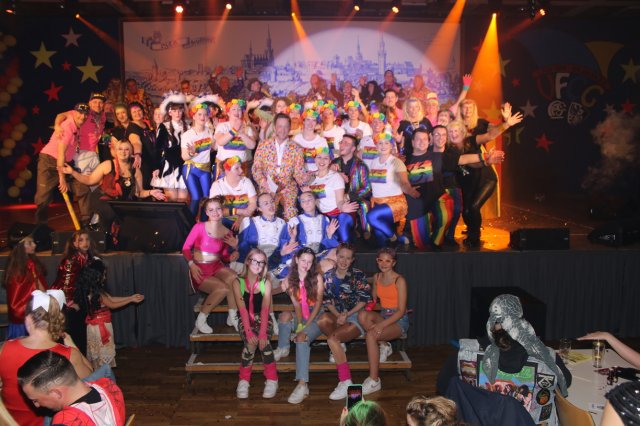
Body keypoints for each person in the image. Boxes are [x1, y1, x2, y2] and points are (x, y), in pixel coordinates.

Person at [436, 294, 572, 426]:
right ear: (521, 322)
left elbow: (444, 387)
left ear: (492, 321)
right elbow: (566, 382)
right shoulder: (547, 358)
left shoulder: (464, 354)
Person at [0, 291, 93, 426]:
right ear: (56, 320)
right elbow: (91, 378)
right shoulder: (69, 354)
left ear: (28, 319)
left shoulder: (5, 348)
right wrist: (73, 346)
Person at [62, 140, 166, 238]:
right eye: (120, 149)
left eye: (126, 149)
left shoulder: (135, 170)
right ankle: (99, 230)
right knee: (111, 211)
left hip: (119, 203)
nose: (123, 152)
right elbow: (89, 180)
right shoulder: (108, 165)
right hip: (102, 200)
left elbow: (139, 193)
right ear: (116, 151)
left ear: (131, 153)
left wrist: (151, 192)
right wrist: (72, 172)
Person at [454, 101, 523, 248]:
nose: (455, 133)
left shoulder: (474, 135)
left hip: (484, 176)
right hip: (467, 177)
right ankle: (472, 229)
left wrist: (506, 123)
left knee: (473, 207)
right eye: (465, 107)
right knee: (466, 211)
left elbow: (491, 134)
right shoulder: (451, 142)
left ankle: (474, 237)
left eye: (470, 107)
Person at [18, 350, 125, 426]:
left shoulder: (65, 421)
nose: (36, 406)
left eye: (35, 400)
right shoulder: (109, 386)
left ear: (56, 393)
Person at [274, 248, 325, 404]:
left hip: (316, 316)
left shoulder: (317, 277)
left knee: (301, 338)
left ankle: (303, 384)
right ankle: (283, 348)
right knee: (284, 315)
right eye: (303, 260)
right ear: (296, 259)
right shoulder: (291, 278)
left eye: (309, 261)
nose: (306, 264)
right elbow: (296, 305)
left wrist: (304, 327)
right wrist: (300, 323)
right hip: (301, 314)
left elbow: (318, 305)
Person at [73, 258, 144, 369]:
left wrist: (131, 298)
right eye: (104, 275)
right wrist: (130, 300)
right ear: (97, 276)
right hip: (100, 328)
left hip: (96, 326)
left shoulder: (93, 289)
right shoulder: (96, 293)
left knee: (98, 357)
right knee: (102, 357)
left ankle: (100, 374)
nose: (105, 277)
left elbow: (111, 299)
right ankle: (103, 376)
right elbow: (111, 304)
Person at [183, 196, 240, 333]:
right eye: (211, 210)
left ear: (222, 210)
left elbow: (225, 257)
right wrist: (191, 264)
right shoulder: (199, 227)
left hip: (216, 266)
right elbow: (185, 248)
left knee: (234, 278)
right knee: (223, 289)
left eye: (218, 209)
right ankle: (201, 319)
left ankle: (232, 316)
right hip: (199, 269)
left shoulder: (227, 232)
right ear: (207, 212)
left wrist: (235, 249)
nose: (215, 212)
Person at [358, 247, 409, 395]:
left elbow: (401, 311)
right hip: (384, 315)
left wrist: (380, 325)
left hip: (399, 320)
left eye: (388, 261)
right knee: (362, 315)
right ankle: (385, 345)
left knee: (371, 335)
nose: (384, 264)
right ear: (377, 261)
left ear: (394, 263)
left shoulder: (400, 280)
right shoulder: (377, 277)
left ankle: (374, 380)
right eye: (381, 260)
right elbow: (374, 298)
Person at [325, 243, 372, 400]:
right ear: (336, 256)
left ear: (352, 260)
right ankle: (340, 347)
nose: (344, 261)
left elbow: (364, 300)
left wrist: (347, 314)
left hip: (355, 316)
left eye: (348, 258)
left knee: (332, 339)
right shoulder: (328, 276)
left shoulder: (358, 275)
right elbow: (327, 301)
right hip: (338, 315)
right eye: (341, 257)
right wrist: (338, 315)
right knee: (323, 320)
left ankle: (345, 381)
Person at [53, 94, 107, 225]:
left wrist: (109, 139)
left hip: (94, 155)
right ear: (90, 103)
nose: (98, 105)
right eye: (95, 102)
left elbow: (99, 134)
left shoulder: (103, 116)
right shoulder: (83, 113)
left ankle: (96, 218)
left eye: (100, 102)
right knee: (84, 187)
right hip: (81, 154)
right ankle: (86, 219)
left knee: (97, 187)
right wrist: (57, 126)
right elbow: (61, 115)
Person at [231, 249, 278, 399]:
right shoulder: (237, 282)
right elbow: (242, 310)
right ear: (247, 261)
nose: (258, 265)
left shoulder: (266, 283)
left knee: (263, 342)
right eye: (255, 261)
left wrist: (263, 332)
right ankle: (244, 380)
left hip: (263, 319)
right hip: (245, 319)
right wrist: (249, 331)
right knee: (251, 343)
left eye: (262, 262)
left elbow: (265, 309)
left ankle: (272, 379)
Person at [34, 103, 89, 225]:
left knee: (82, 188)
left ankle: (86, 223)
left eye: (85, 114)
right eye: (80, 113)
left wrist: (56, 124)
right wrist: (62, 178)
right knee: (43, 198)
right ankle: (40, 227)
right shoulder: (67, 128)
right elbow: (60, 154)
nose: (83, 116)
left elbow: (60, 115)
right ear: (74, 113)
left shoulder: (76, 120)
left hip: (65, 163)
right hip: (49, 162)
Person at [252, 113, 311, 221]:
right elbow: (256, 168)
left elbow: (298, 172)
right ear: (275, 127)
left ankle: (291, 232)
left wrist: (305, 179)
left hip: (287, 187)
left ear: (290, 128)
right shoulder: (263, 145)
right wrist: (262, 181)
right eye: (280, 126)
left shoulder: (296, 148)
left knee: (291, 214)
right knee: (267, 213)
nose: (282, 130)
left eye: (286, 126)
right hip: (267, 186)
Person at [366, 134, 420, 247]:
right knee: (380, 238)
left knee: (371, 217)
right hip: (378, 204)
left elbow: (404, 183)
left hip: (394, 203)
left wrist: (411, 191)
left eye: (386, 143)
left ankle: (395, 237)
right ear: (376, 146)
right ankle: (395, 243)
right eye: (380, 143)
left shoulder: (396, 162)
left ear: (391, 146)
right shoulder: (373, 162)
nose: (383, 146)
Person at [50, 230, 99, 355]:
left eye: (87, 239)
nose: (85, 243)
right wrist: (71, 303)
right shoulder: (71, 260)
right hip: (67, 302)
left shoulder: (88, 258)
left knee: (81, 335)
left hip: (79, 299)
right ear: (74, 243)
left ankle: (80, 360)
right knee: (72, 336)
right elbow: (66, 284)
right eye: (81, 240)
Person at [306, 147, 358, 242]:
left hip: (340, 213)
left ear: (330, 161)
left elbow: (340, 200)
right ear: (315, 159)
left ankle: (351, 239)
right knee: (327, 240)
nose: (322, 161)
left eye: (326, 158)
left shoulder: (336, 177)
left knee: (343, 238)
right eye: (319, 157)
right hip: (324, 216)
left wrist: (342, 207)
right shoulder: (310, 178)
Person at [3, 236, 46, 339]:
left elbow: (41, 286)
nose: (34, 245)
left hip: (35, 313)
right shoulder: (17, 270)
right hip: (23, 320)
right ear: (20, 247)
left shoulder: (31, 263)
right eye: (30, 243)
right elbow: (16, 301)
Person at [332, 133, 372, 238]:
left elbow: (367, 188)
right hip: (337, 198)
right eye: (341, 142)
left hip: (355, 198)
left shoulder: (361, 165)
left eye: (346, 143)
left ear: (353, 148)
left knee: (363, 205)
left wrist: (349, 196)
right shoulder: (333, 164)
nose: (342, 145)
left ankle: (365, 232)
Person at [152, 92, 189, 202]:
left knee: (183, 200)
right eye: (174, 110)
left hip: (184, 166)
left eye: (180, 110)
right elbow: (157, 149)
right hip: (169, 166)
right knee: (171, 200)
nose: (177, 113)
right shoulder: (164, 126)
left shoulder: (188, 127)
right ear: (170, 112)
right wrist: (156, 167)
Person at [181, 101, 215, 216]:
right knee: (196, 198)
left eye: (205, 114)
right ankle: (189, 224)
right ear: (194, 116)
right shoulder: (187, 135)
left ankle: (204, 225)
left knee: (206, 199)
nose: (202, 117)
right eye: (199, 114)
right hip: (192, 169)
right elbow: (184, 156)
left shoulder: (210, 132)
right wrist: (192, 153)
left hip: (205, 169)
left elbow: (214, 148)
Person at [209, 156, 257, 230]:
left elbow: (253, 203)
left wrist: (241, 218)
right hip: (224, 220)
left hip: (244, 219)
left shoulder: (246, 182)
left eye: (241, 167)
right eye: (237, 168)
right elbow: (215, 210)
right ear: (227, 171)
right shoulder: (217, 185)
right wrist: (239, 211)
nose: (241, 170)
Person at [214, 99, 256, 178]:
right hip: (224, 168)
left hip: (241, 168)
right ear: (228, 113)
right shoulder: (222, 126)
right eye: (233, 109)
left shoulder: (247, 128)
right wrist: (234, 130)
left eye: (239, 109)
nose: (236, 111)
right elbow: (220, 141)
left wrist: (241, 133)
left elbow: (252, 145)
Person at [127, 101, 158, 189]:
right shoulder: (132, 127)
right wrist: (137, 154)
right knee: (147, 188)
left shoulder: (145, 124)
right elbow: (136, 142)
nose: (137, 113)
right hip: (143, 163)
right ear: (130, 114)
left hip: (152, 161)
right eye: (134, 112)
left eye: (139, 110)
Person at [293, 108, 330, 173]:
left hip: (316, 174)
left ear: (316, 123)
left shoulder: (322, 141)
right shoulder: (296, 139)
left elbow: (325, 162)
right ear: (303, 121)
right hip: (299, 174)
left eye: (313, 120)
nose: (310, 123)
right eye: (308, 119)